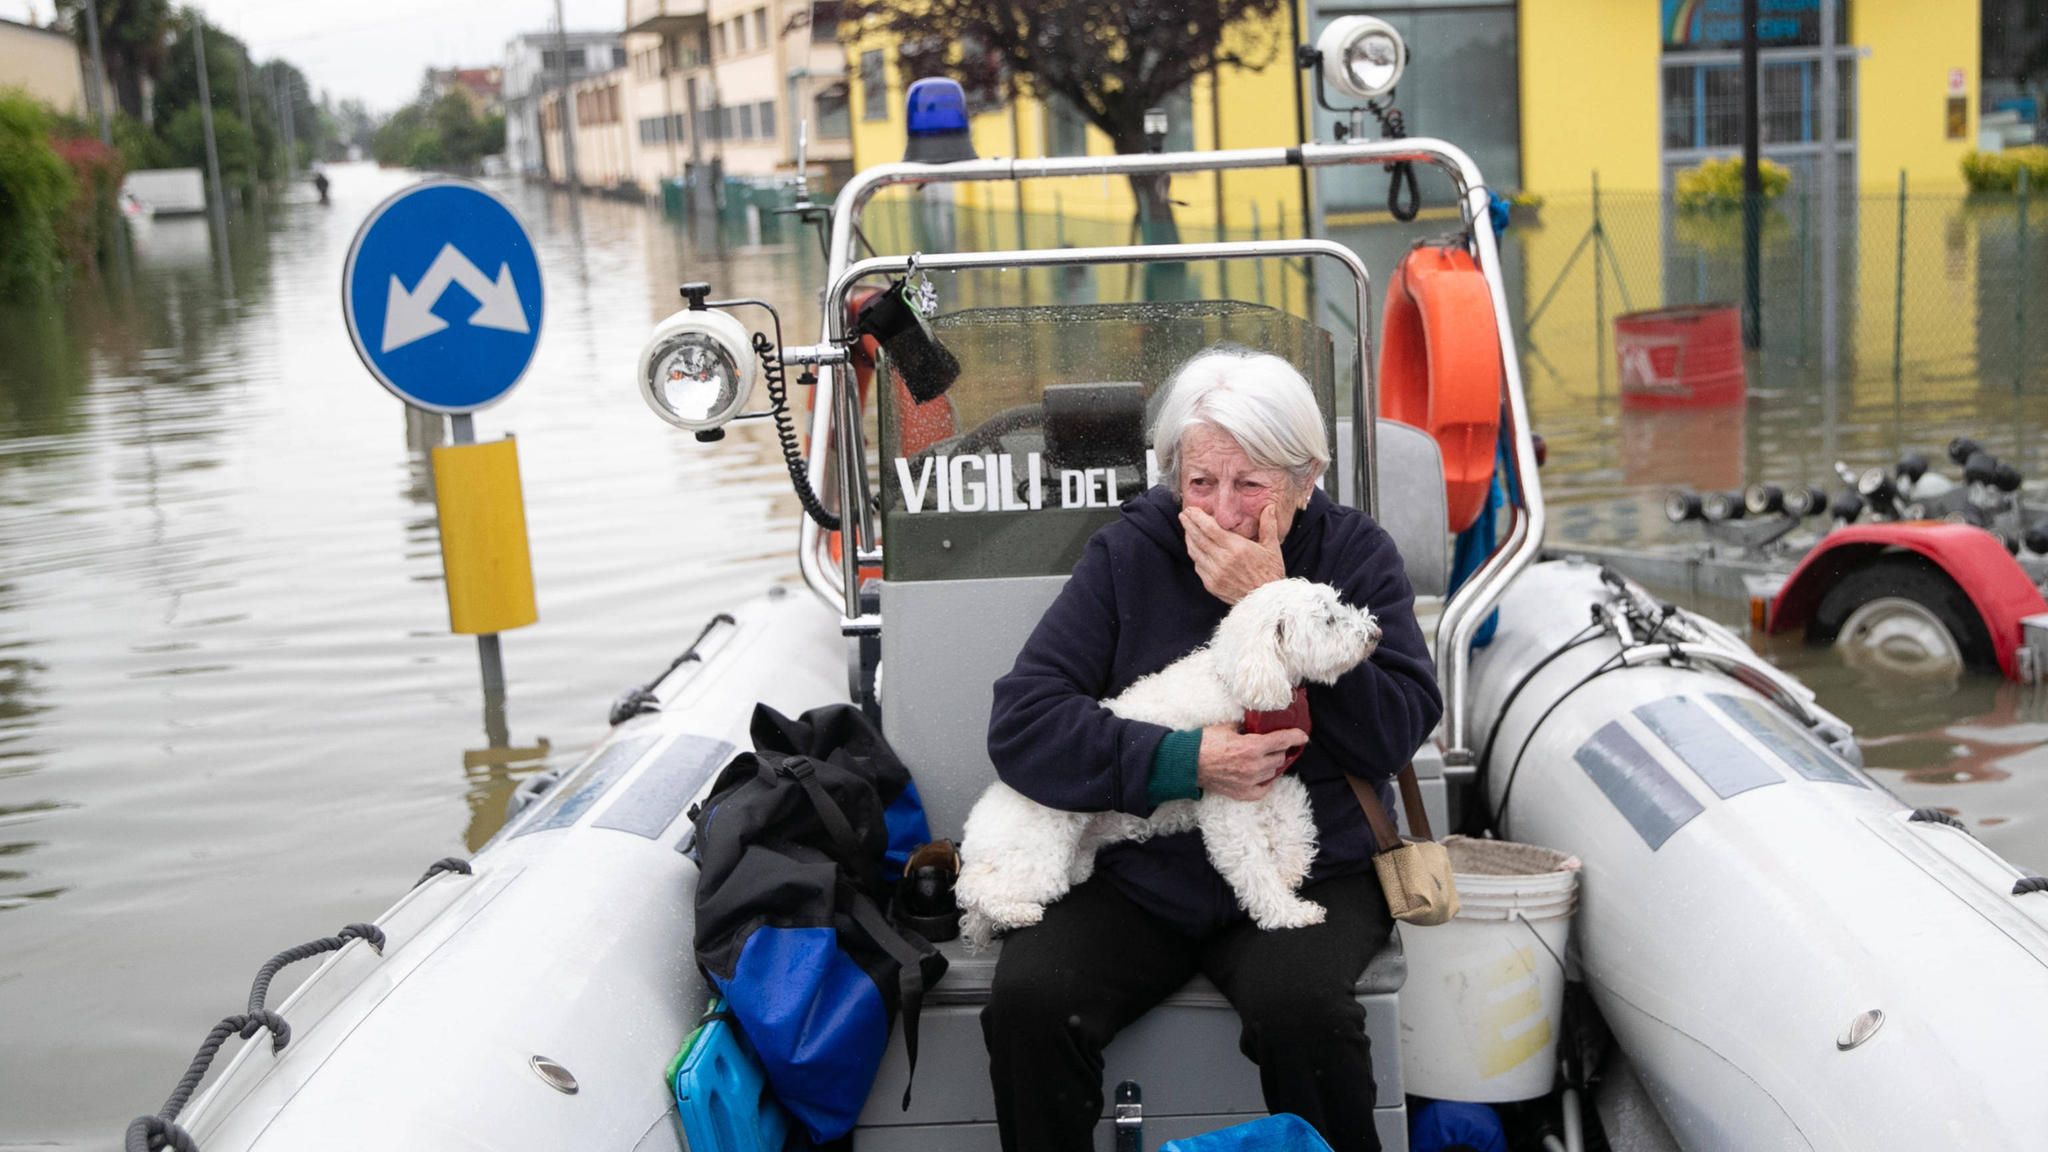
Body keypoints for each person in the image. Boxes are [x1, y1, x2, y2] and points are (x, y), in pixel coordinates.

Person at [982, 345, 1444, 1152]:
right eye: (1201, 483)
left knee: (1305, 1014)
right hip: (1146, 875)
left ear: (1307, 479)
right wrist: (1181, 762)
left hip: (1308, 858)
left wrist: (1268, 601)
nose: (1223, 513)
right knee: (1030, 1001)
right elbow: (1024, 723)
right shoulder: (1131, 553)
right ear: (1175, 478)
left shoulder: (1353, 554)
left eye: (1252, 484)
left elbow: (1395, 731)